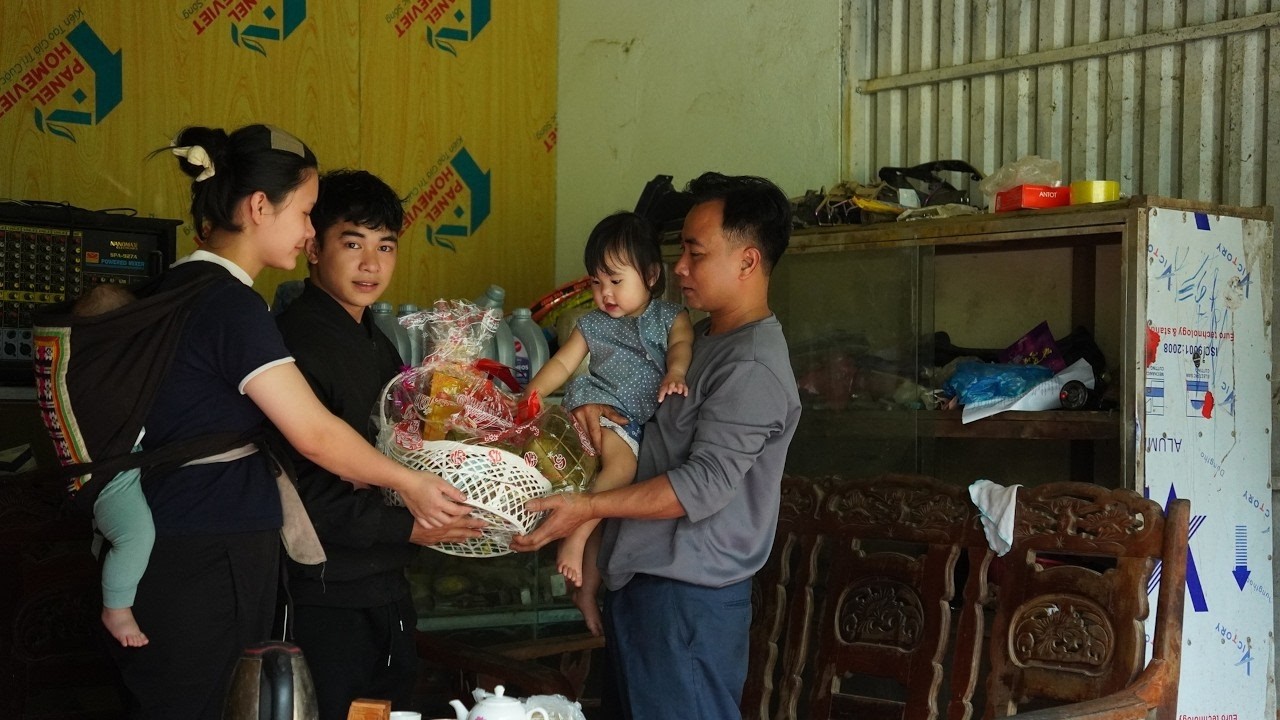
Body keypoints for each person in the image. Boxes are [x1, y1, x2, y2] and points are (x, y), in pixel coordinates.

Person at [105, 124, 472, 720]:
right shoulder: (231, 305)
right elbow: (316, 436)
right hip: (205, 554)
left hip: (185, 545)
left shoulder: (180, 287)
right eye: (306, 213)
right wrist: (411, 486)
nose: (308, 233)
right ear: (257, 207)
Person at [512, 172, 802, 720]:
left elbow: (701, 485)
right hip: (645, 586)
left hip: (686, 598)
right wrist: (595, 414)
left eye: (695, 252)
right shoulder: (698, 341)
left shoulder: (752, 365)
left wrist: (587, 509)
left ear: (747, 261)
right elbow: (646, 437)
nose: (681, 268)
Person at [274, 169, 484, 720]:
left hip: (385, 585)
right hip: (324, 592)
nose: (372, 264)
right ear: (312, 247)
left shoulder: (374, 339)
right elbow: (302, 494)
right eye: (352, 244)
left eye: (385, 246)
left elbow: (401, 454)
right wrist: (412, 525)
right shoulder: (294, 342)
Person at [523, 211, 692, 636]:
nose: (605, 293)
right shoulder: (591, 324)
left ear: (652, 275)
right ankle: (574, 535)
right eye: (596, 283)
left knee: (605, 504)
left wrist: (675, 373)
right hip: (606, 410)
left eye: (616, 281)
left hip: (631, 423)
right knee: (620, 474)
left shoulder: (670, 316)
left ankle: (586, 587)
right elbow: (563, 363)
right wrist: (530, 396)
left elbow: (682, 346)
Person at [69, 284, 154, 648]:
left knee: (114, 531)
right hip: (111, 477)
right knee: (137, 536)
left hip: (95, 475)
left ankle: (102, 548)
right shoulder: (112, 369)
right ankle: (116, 608)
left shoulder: (79, 363)